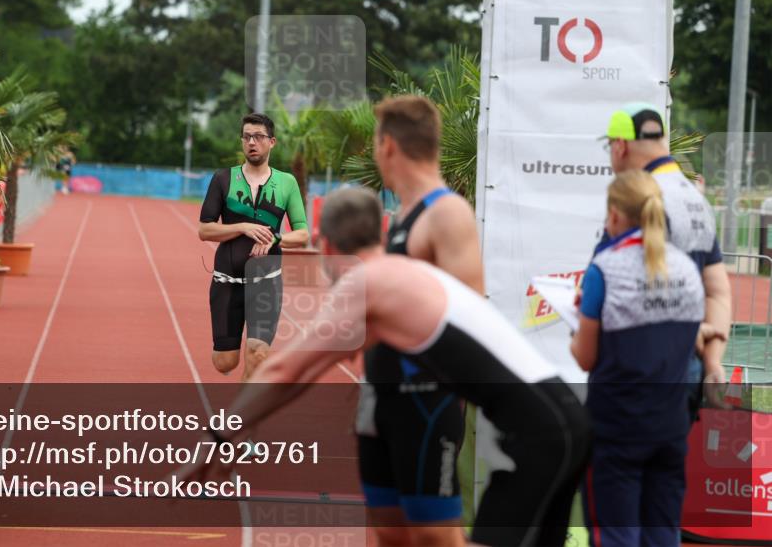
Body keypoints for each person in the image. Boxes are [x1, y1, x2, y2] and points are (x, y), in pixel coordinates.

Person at [183, 187, 590, 547]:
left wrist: (220, 434)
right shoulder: (410, 272)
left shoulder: (365, 282)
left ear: (326, 246)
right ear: (379, 235)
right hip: (561, 418)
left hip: (539, 433)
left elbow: (287, 370)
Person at [361, 95, 484, 544]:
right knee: (391, 535)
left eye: (375, 143)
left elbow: (470, 318)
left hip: (427, 403)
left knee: (435, 538)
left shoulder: (447, 214)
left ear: (388, 145)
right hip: (383, 401)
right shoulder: (400, 218)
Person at [572, 170, 705, 546]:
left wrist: (574, 334)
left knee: (616, 536)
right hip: (670, 426)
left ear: (614, 215)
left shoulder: (605, 269)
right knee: (663, 535)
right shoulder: (686, 269)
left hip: (616, 428)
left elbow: (584, 357)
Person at [601, 104, 732, 410]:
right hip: (686, 373)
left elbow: (618, 291)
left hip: (639, 372)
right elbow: (718, 292)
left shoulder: (637, 198)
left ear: (620, 146)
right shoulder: (694, 199)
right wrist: (713, 363)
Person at [198, 113, 309, 380]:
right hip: (227, 279)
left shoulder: (287, 183)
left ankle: (237, 417)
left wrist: (276, 238)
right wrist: (242, 227)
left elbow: (303, 234)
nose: (252, 142)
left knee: (258, 354)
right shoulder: (223, 179)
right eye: (247, 136)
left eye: (258, 137)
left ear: (272, 142)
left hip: (266, 281)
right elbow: (205, 230)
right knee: (224, 362)